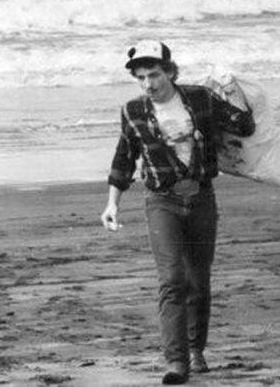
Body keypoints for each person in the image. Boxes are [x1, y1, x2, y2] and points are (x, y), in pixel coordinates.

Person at [100, 40, 255, 385]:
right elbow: (124, 157)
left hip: (201, 199)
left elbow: (244, 126)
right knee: (172, 280)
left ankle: (196, 348)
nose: (148, 84)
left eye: (154, 75)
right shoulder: (133, 111)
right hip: (161, 202)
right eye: (140, 78)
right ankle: (176, 362)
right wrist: (112, 203)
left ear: (170, 71)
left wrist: (233, 89)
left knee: (198, 282)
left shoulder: (199, 99)